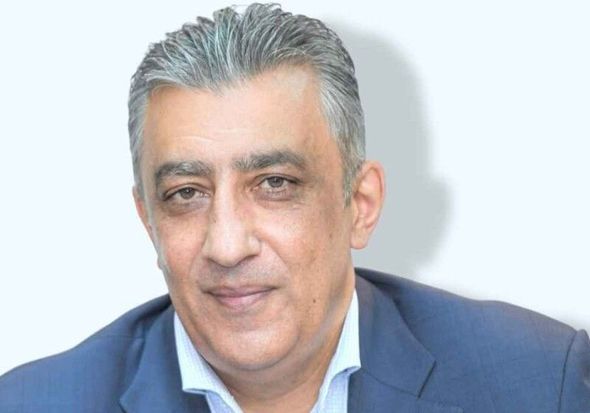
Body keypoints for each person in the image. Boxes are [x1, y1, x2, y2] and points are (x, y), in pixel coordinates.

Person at [0, 3, 588, 412]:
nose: (227, 245)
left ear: (360, 205)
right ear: (148, 222)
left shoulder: (540, 383)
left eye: (274, 184)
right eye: (186, 194)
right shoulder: (32, 405)